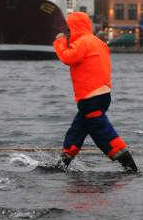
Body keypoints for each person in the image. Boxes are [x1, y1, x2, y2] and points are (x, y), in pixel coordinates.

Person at [53, 12, 137, 173]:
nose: (68, 33)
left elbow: (67, 58)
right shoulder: (98, 42)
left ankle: (130, 167)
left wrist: (59, 41)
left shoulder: (83, 42)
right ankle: (62, 163)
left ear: (75, 28)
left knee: (102, 132)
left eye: (69, 29)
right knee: (78, 129)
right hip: (102, 95)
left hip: (90, 97)